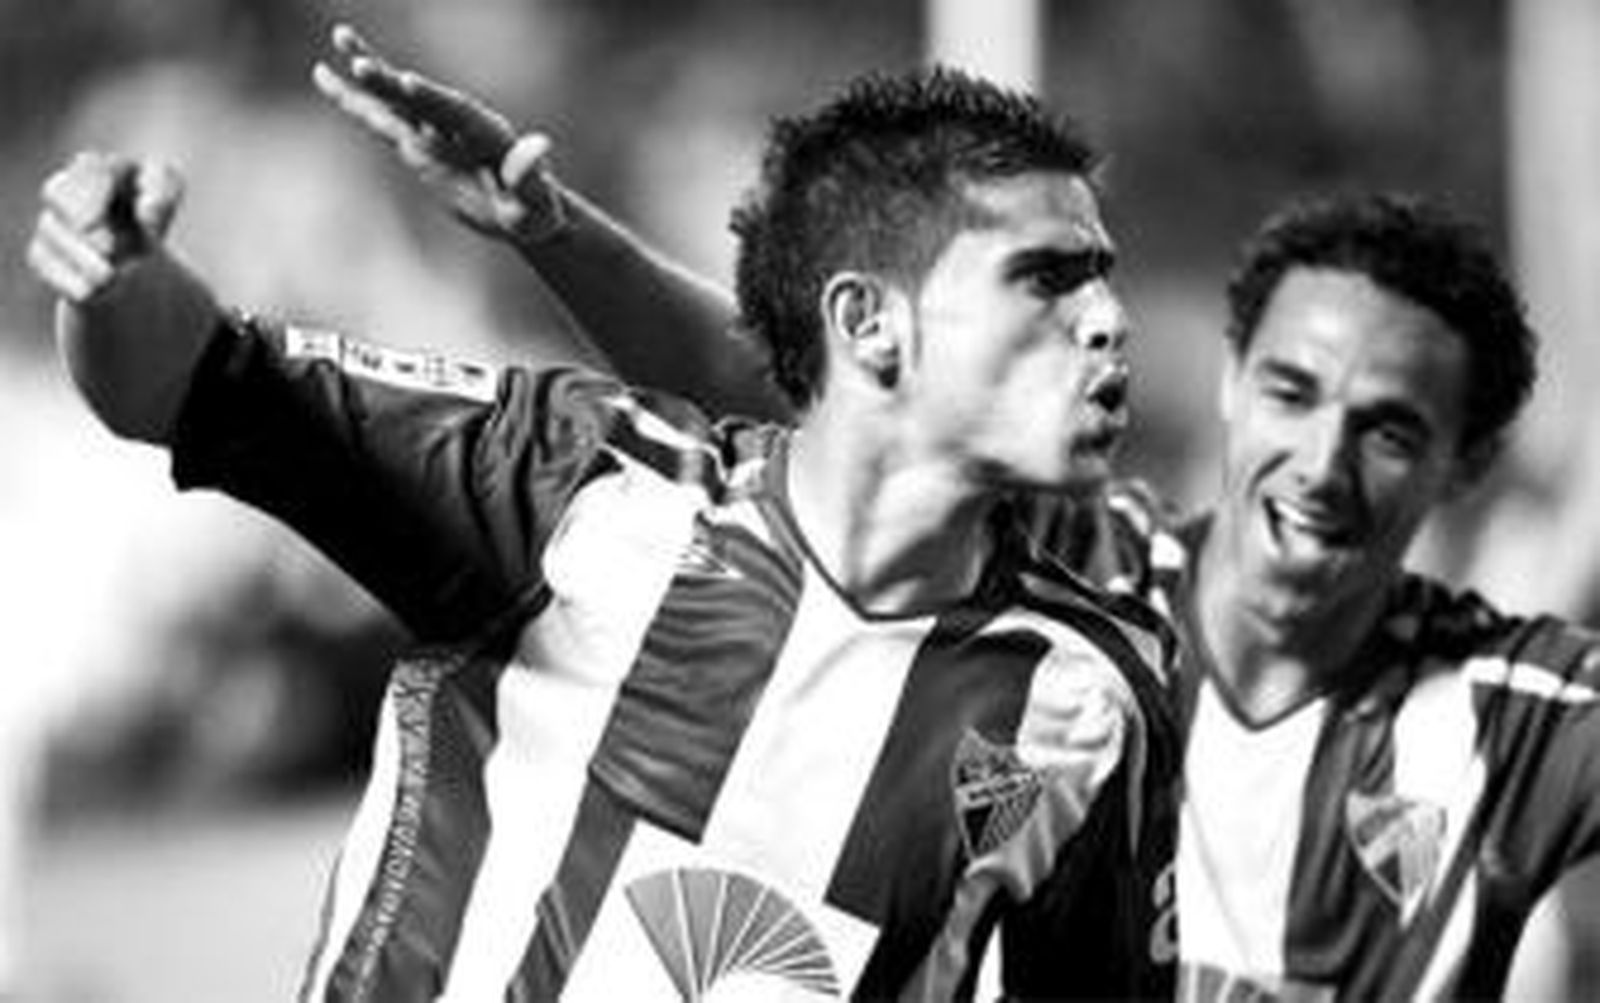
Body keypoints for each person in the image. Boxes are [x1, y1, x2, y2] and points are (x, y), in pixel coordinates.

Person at [315, 29, 1600, 1000]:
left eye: (1390, 431)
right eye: (1290, 392)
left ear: (1469, 465)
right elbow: (804, 395)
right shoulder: (1093, 574)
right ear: (1228, 384)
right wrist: (552, 229)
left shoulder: (1515, 710)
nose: (1321, 462)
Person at [28, 67, 1182, 1001]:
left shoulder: (1089, 695)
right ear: (867, 322)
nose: (1107, 323)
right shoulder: (574, 483)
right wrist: (112, 280)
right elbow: (190, 384)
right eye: (1047, 279)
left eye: (1104, 279)